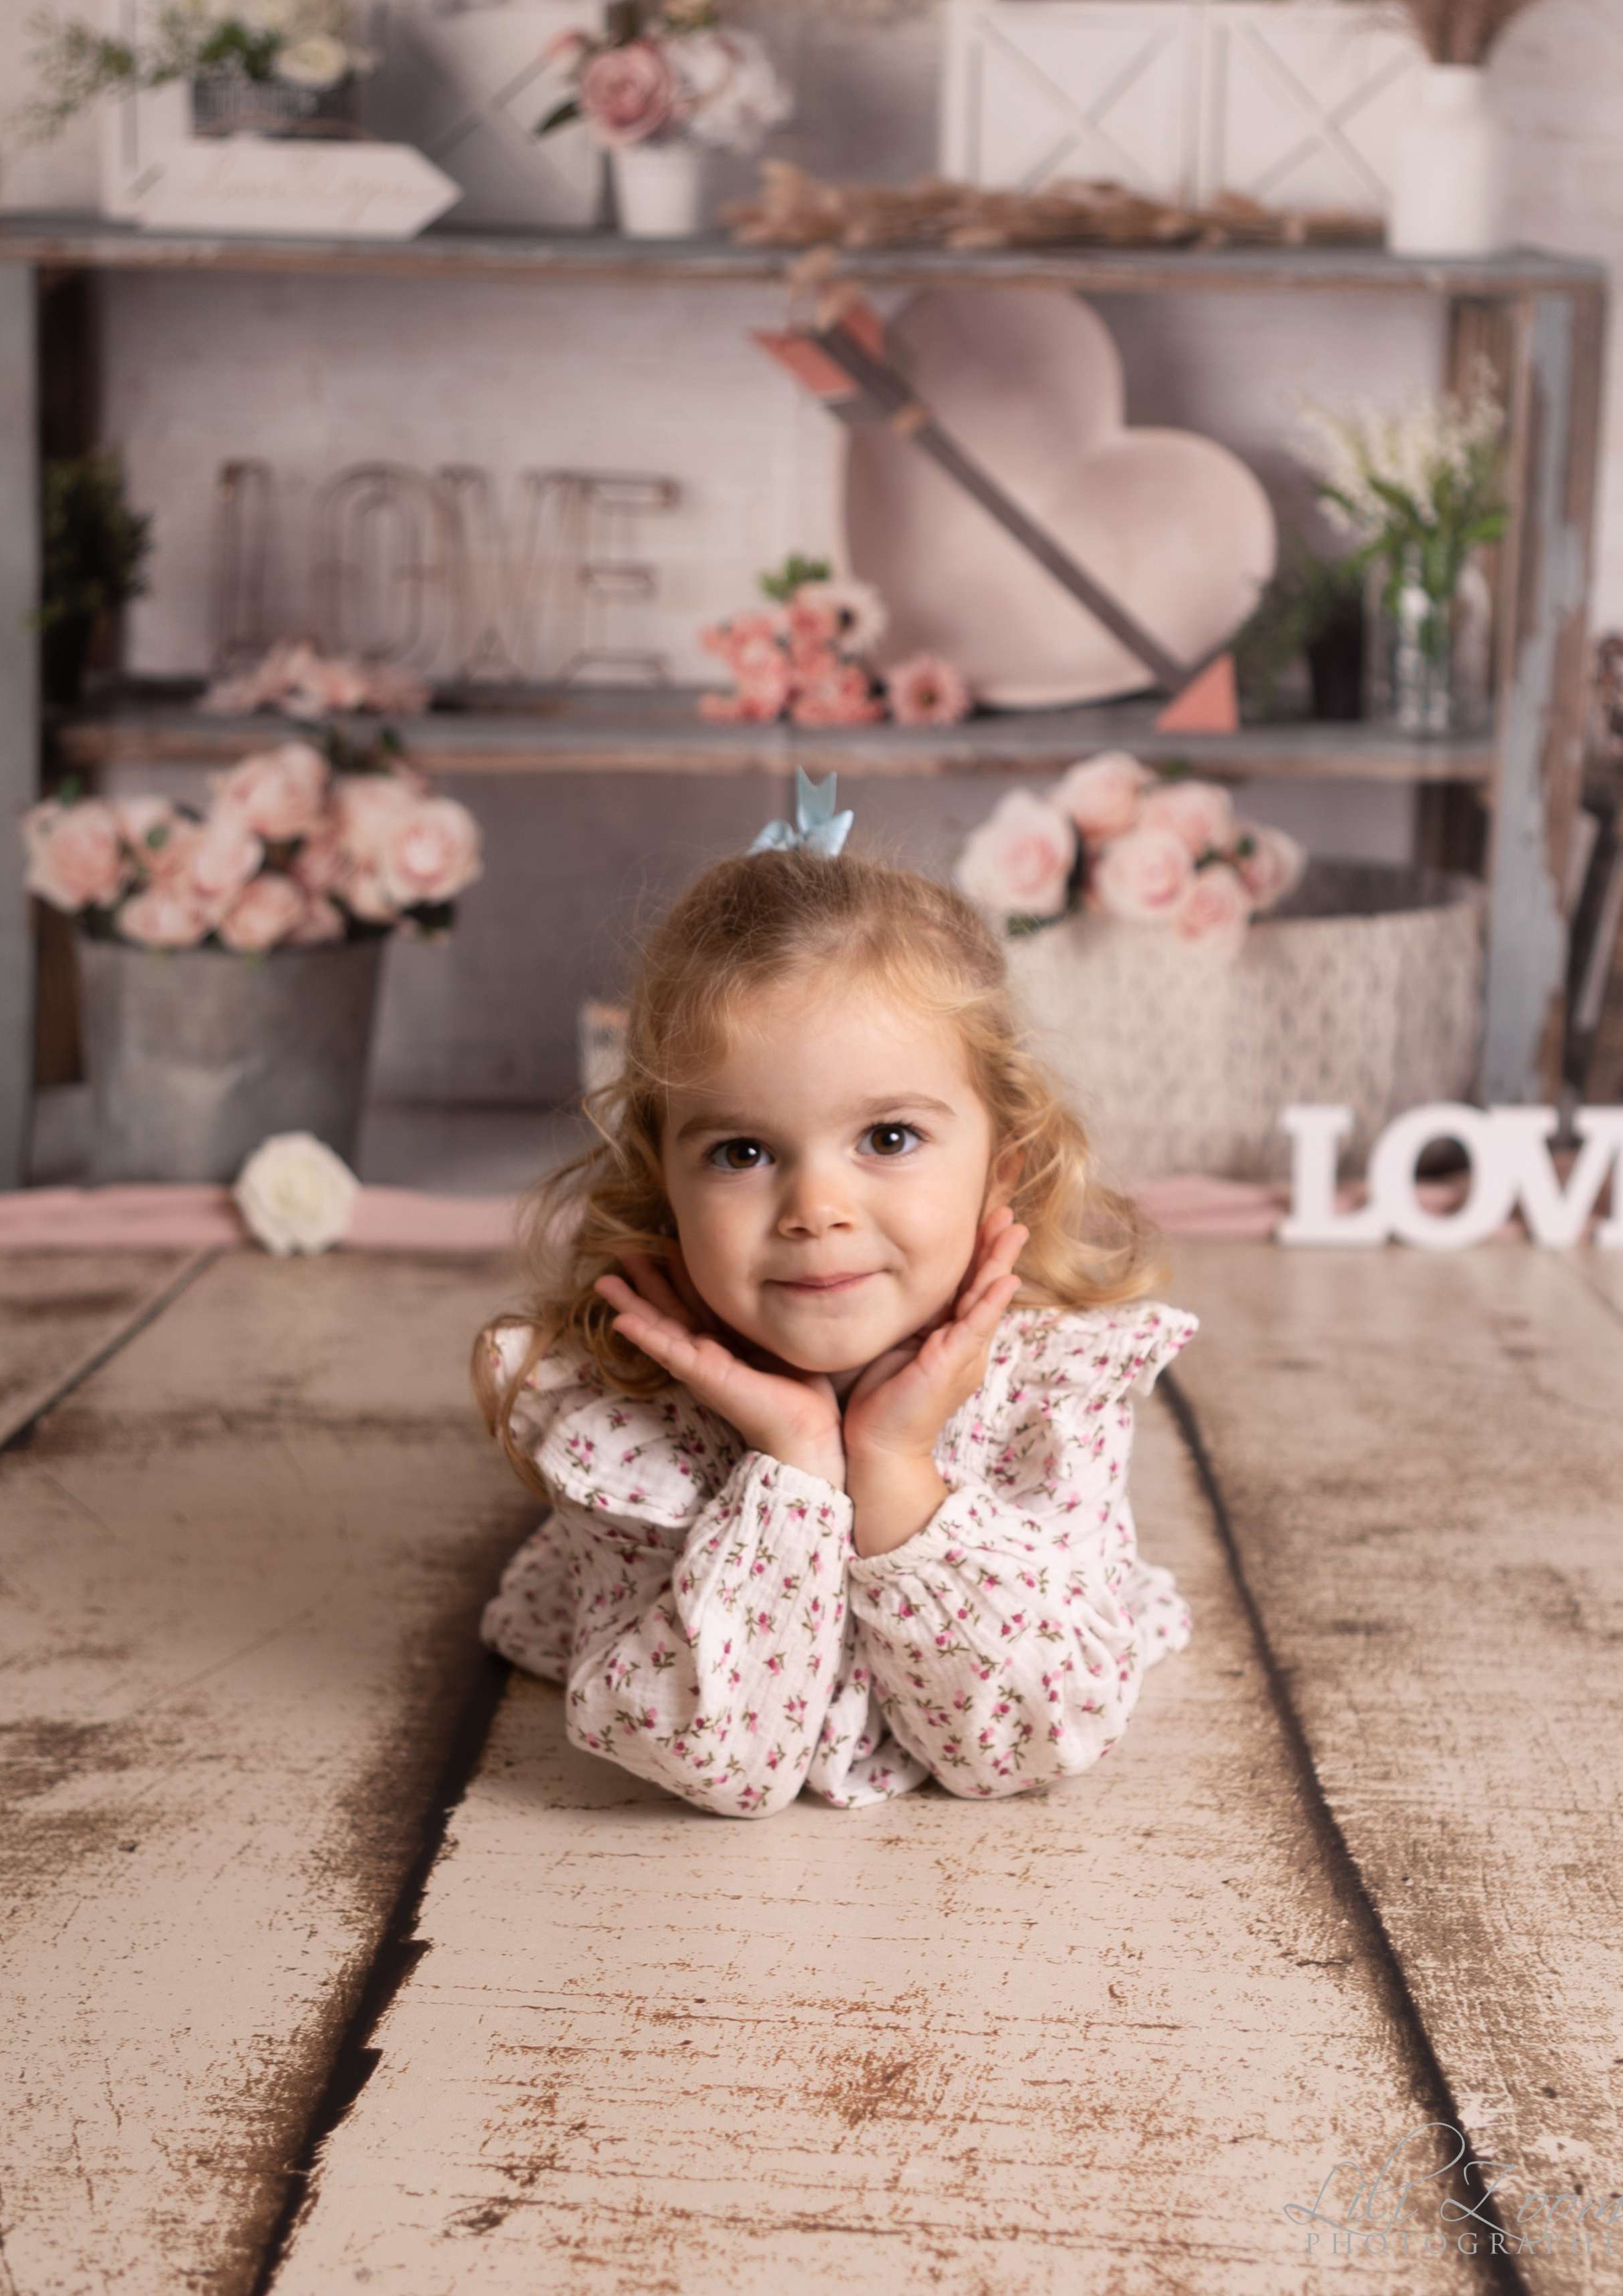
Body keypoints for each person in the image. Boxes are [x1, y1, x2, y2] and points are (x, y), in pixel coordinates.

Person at [470, 772, 1197, 1815]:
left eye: (888, 1138)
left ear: (1006, 1168)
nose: (815, 1206)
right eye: (742, 1150)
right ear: (663, 1184)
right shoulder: (624, 1420)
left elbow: (1022, 1747)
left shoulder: (1049, 1391)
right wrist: (796, 1462)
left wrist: (894, 1464)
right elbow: (715, 1759)